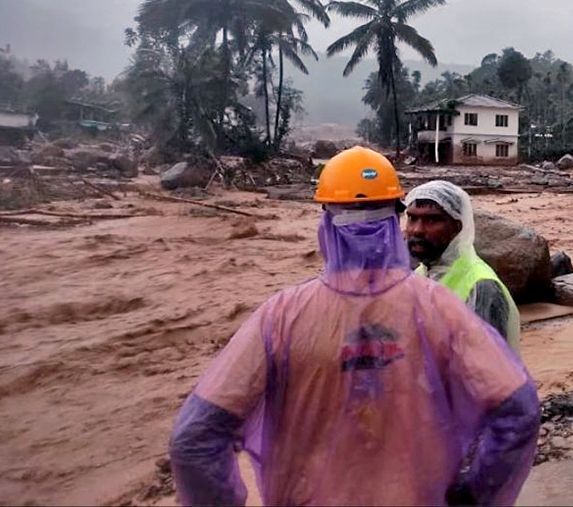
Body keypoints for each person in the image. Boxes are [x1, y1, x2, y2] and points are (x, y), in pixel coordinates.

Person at [167, 147, 539, 506]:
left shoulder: (280, 316)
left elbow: (194, 439)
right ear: (396, 222)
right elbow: (518, 410)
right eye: (414, 218)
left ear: (326, 222)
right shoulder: (438, 305)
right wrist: (476, 495)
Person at [405, 180, 521, 352]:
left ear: (458, 227)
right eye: (412, 218)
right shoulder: (421, 274)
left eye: (432, 220)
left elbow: (489, 368)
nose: (417, 230)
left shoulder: (481, 286)